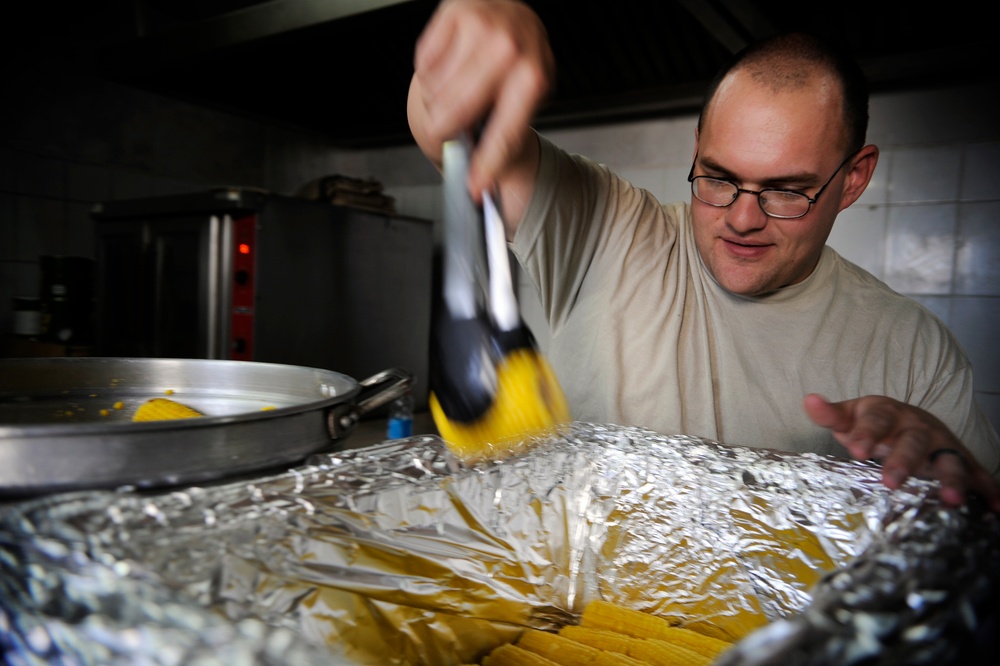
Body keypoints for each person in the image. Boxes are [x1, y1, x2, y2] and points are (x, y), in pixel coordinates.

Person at [407, 0, 1000, 509]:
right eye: (717, 178)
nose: (743, 218)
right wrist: (473, 32)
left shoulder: (914, 353)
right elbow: (444, 127)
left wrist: (950, 499)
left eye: (787, 190)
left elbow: (980, 547)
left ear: (853, 180)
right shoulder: (605, 230)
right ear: (697, 149)